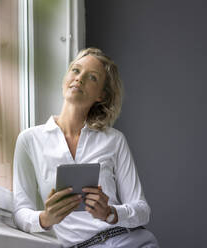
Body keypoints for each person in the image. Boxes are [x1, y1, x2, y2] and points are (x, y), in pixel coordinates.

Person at [13, 48, 159, 248]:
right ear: (66, 77)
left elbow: (142, 210)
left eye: (92, 77)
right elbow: (20, 211)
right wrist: (46, 218)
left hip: (128, 241)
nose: (79, 79)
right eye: (75, 70)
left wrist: (110, 213)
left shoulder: (114, 140)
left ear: (101, 95)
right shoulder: (29, 140)